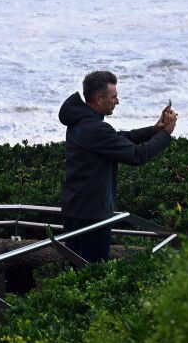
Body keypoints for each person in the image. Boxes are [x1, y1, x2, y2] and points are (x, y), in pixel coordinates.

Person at [57, 70, 177, 263]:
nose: (117, 101)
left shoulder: (80, 122)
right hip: (92, 218)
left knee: (77, 269)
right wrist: (166, 134)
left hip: (74, 210)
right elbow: (137, 156)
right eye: (113, 97)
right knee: (94, 272)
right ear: (99, 99)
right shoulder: (96, 128)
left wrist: (153, 130)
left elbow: (119, 138)